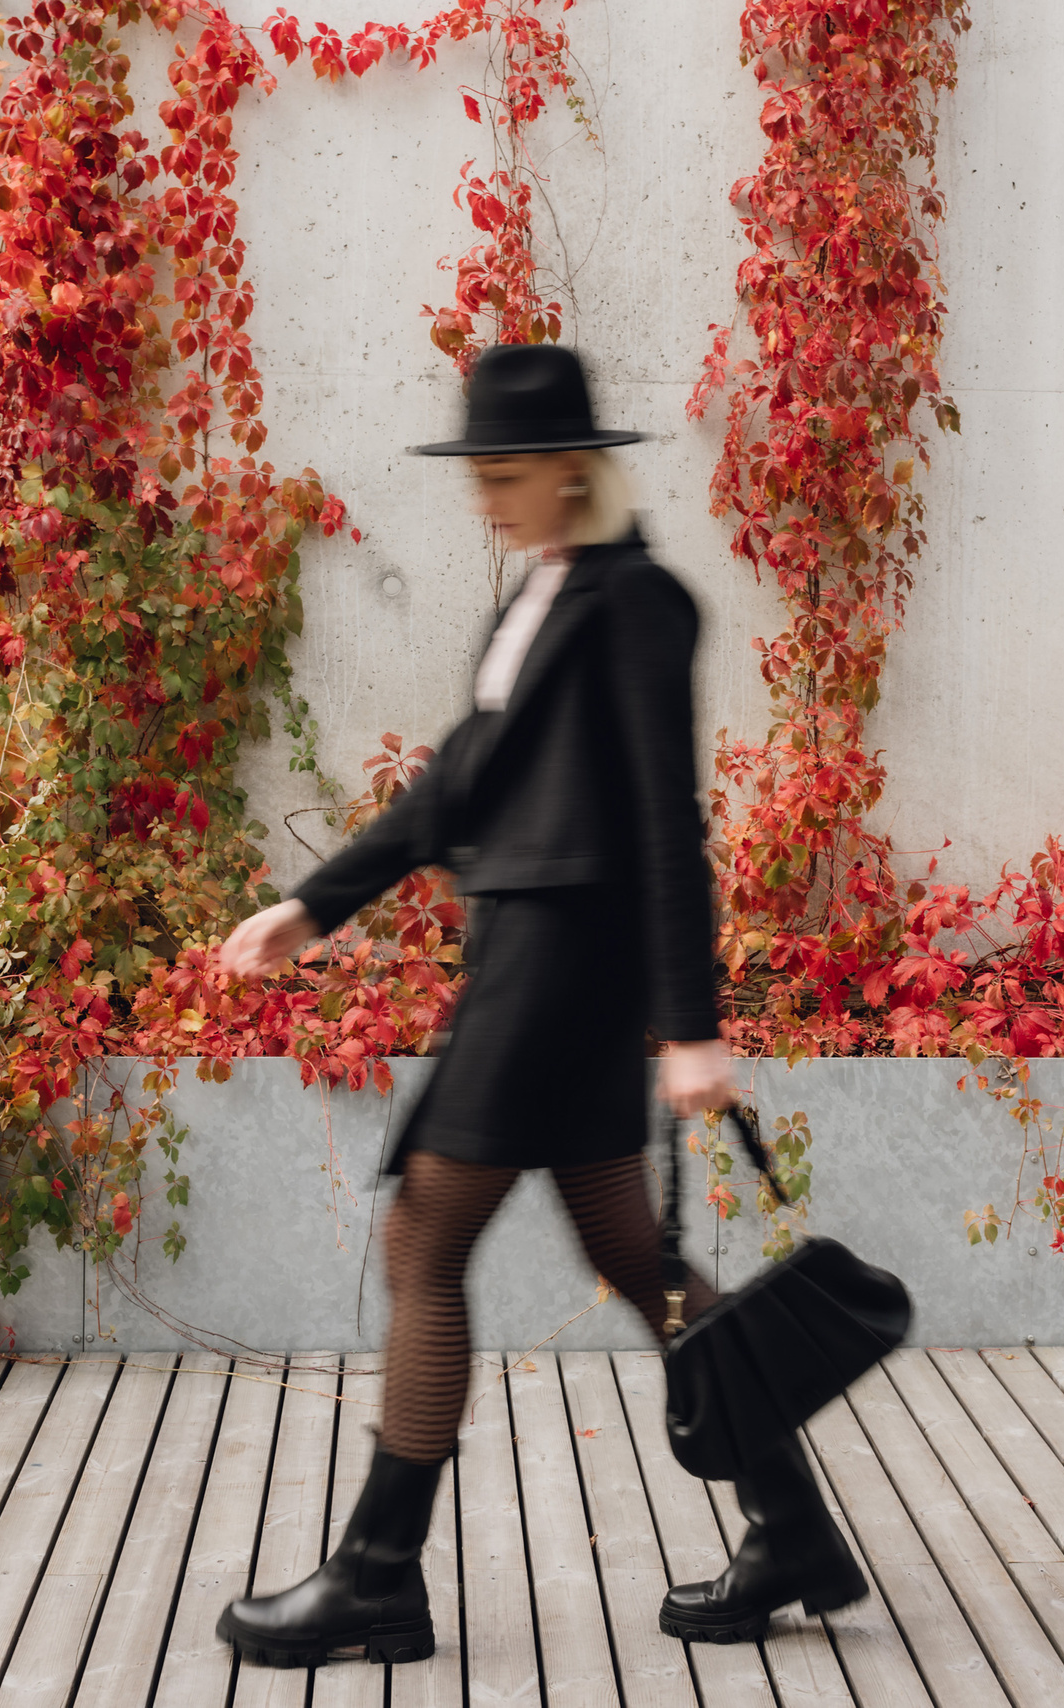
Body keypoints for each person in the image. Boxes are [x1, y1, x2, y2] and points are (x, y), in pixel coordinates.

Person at [211, 343, 868, 1667]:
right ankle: (790, 1524)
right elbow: (453, 788)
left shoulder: (635, 606)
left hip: (563, 970)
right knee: (634, 1259)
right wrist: (314, 905)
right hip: (532, 959)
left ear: (575, 470)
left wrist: (691, 1026)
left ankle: (380, 1576)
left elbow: (665, 828)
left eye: (504, 473)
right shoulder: (544, 596)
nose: (485, 496)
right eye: (478, 473)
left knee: (422, 1240)